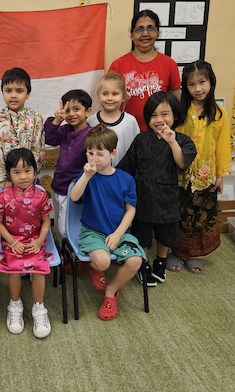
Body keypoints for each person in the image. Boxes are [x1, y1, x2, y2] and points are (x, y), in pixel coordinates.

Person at [117, 92, 196, 286]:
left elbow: (182, 163)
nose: (159, 119)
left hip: (167, 198)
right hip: (142, 196)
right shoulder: (141, 140)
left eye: (164, 114)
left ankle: (161, 260)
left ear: (175, 115)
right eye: (153, 115)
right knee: (142, 234)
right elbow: (126, 167)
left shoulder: (183, 140)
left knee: (165, 233)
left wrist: (172, 141)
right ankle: (142, 263)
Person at [69, 125, 146, 321]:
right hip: (92, 232)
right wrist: (86, 176)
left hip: (119, 232)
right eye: (90, 153)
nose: (94, 158)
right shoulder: (87, 176)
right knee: (102, 262)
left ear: (113, 153)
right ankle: (94, 267)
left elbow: (131, 210)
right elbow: (74, 197)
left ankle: (111, 291)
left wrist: (118, 234)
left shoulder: (126, 179)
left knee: (135, 261)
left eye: (100, 154)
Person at [168, 60, 232, 274]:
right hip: (180, 174)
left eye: (202, 82)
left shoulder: (220, 113)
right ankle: (176, 252)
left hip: (205, 175)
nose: (197, 88)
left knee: (200, 215)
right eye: (191, 84)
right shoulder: (180, 111)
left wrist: (220, 175)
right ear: (185, 86)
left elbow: (222, 146)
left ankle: (193, 254)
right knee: (179, 213)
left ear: (211, 81)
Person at [0, 148, 53, 338]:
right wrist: (11, 242)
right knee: (15, 268)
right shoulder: (2, 196)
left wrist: (40, 240)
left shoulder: (41, 195)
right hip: (12, 241)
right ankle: (15, 304)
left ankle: (39, 308)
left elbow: (46, 221)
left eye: (27, 171)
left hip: (35, 241)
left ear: (35, 171)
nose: (23, 176)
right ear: (9, 174)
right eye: (16, 172)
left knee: (39, 268)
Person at [109, 10, 182, 132]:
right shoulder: (117, 65)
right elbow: (109, 101)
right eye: (139, 29)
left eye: (150, 28)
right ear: (132, 34)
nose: (145, 34)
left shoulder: (169, 64)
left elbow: (175, 103)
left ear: (157, 33)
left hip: (159, 132)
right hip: (125, 131)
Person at [44, 89, 92, 239]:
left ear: (88, 111)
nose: (71, 114)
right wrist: (57, 121)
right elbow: (49, 139)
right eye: (67, 110)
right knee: (59, 221)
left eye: (76, 109)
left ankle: (77, 248)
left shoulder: (91, 135)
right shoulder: (65, 130)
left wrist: (79, 181)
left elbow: (95, 163)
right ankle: (66, 248)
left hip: (73, 189)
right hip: (57, 185)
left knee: (65, 229)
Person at [0, 67, 45, 190]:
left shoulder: (36, 116)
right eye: (8, 91)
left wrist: (30, 176)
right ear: (3, 93)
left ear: (28, 94)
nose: (13, 95)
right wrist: (2, 179)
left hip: (28, 179)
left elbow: (38, 149)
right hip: (5, 180)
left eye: (19, 91)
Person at [87, 73, 140, 166]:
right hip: (97, 171)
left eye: (115, 94)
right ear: (98, 96)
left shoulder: (130, 122)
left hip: (125, 172)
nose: (110, 98)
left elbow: (137, 150)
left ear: (123, 97)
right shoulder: (91, 121)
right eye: (105, 94)